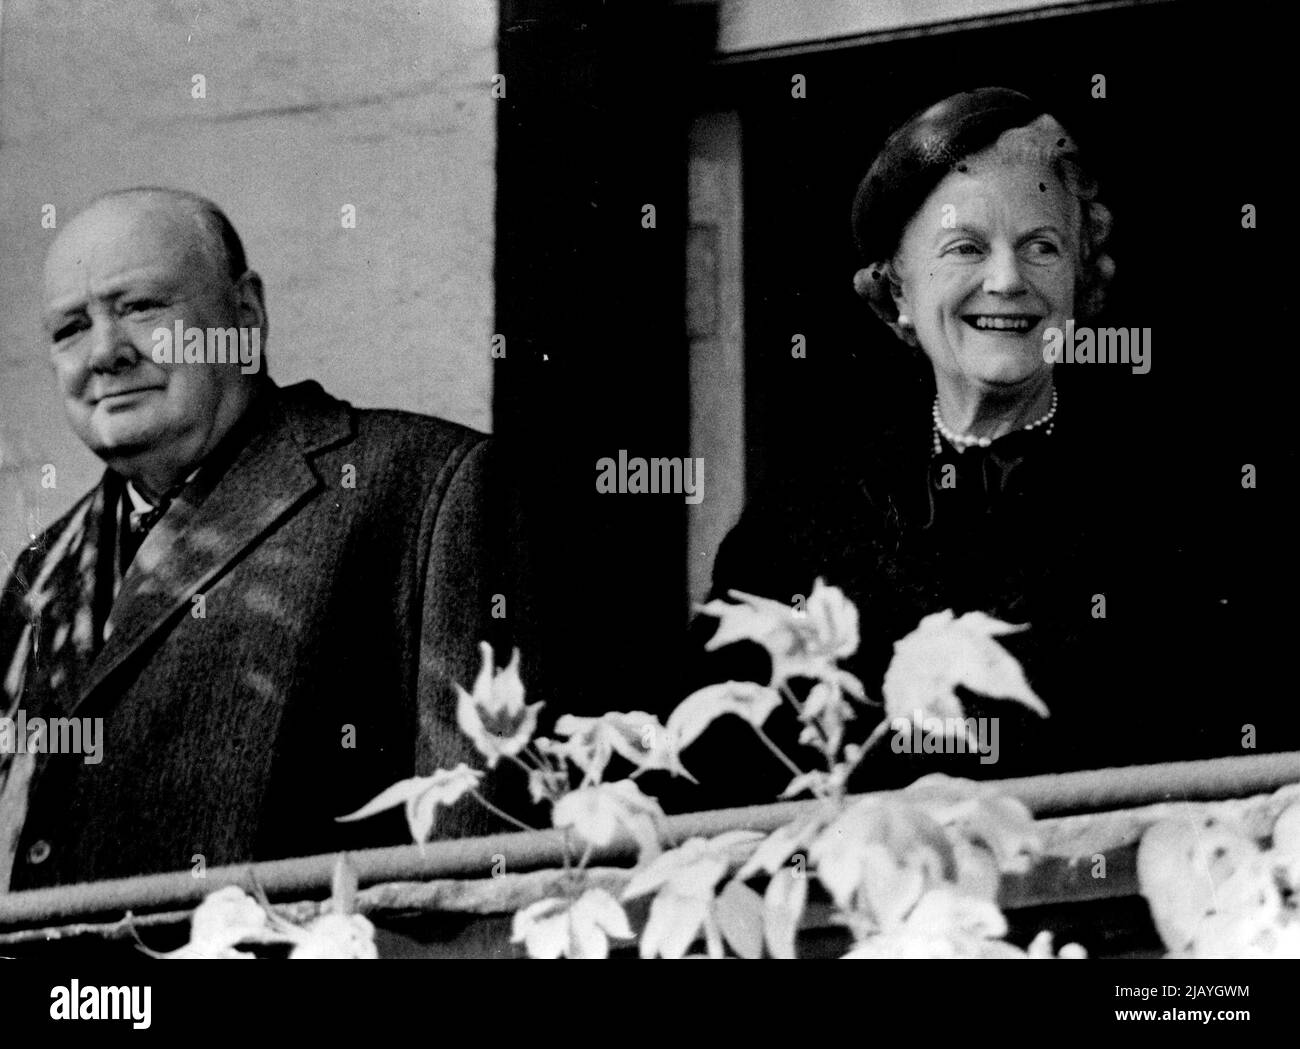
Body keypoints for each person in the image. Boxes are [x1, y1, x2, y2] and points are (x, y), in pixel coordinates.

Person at [674, 87, 1287, 810]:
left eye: (1042, 247)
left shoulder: (1182, 507)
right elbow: (705, 773)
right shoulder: (800, 521)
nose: (1006, 280)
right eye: (965, 247)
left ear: (1080, 282)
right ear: (898, 288)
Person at [0, 188, 523, 890]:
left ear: (244, 315)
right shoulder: (43, 567)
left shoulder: (427, 487)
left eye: (141, 307)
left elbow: (472, 874)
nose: (104, 354)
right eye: (69, 328)